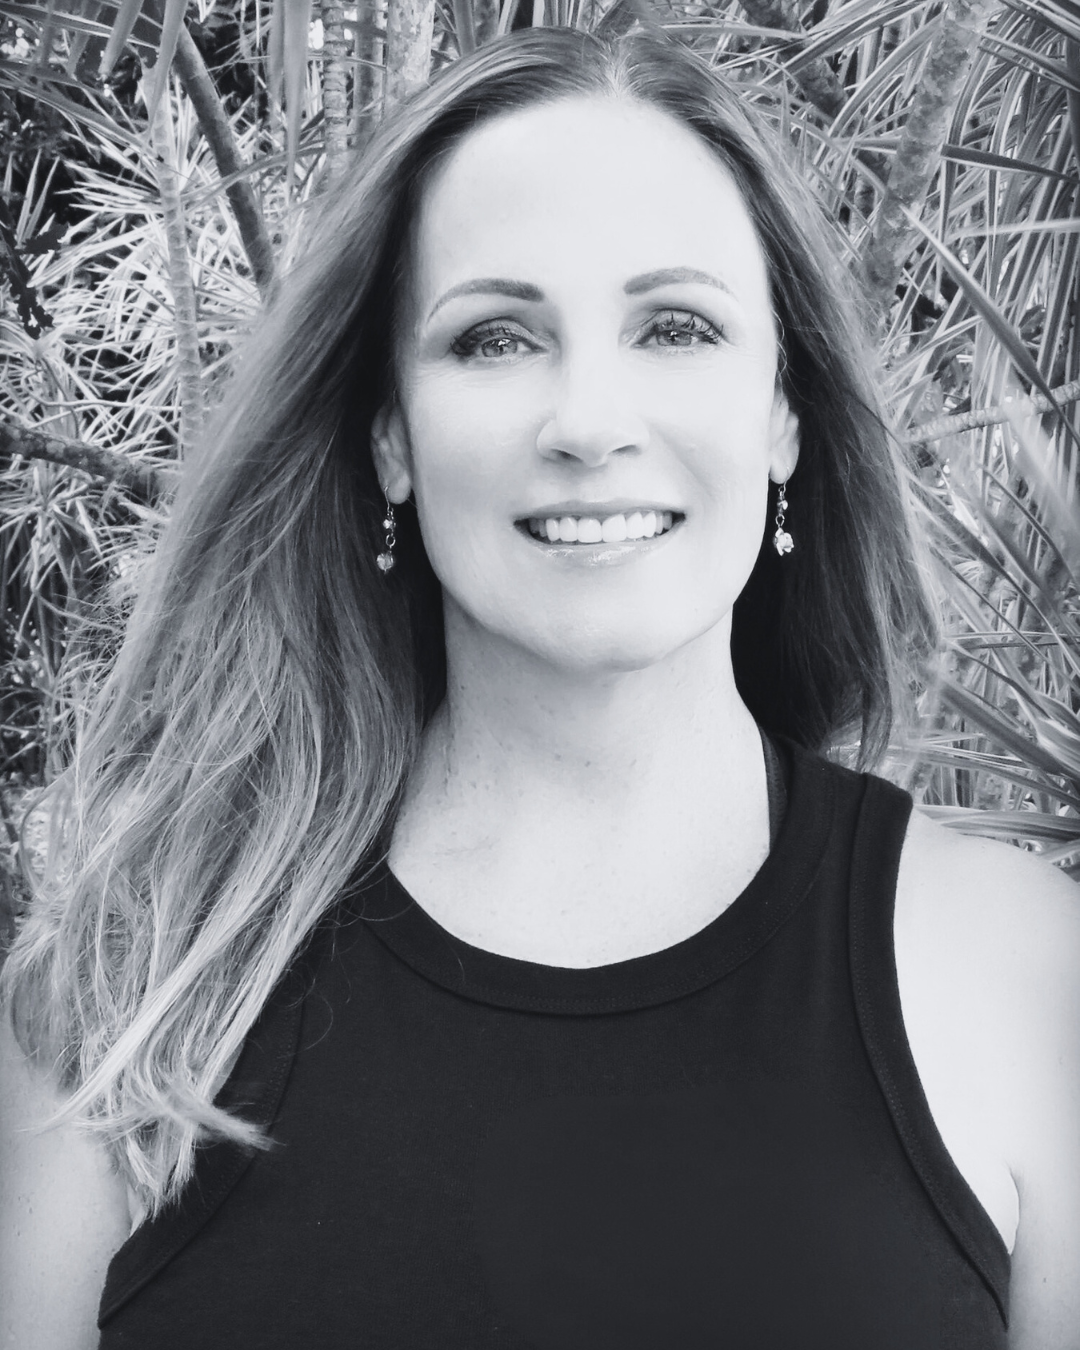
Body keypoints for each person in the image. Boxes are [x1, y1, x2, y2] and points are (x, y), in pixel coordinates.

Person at [2, 24, 1078, 1350]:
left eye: (675, 326)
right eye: (497, 339)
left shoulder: (1025, 976)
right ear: (390, 436)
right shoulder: (133, 993)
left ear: (784, 413)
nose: (587, 419)